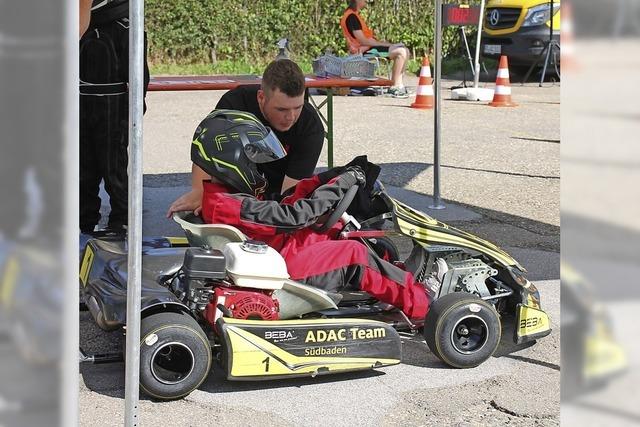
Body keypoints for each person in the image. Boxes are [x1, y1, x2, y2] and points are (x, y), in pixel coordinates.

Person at [189, 109, 430, 323]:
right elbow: (292, 217)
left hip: (277, 251)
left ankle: (396, 281)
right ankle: (424, 306)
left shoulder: (221, 196)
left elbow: (279, 209)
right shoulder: (228, 205)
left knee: (339, 233)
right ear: (231, 160)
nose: (258, 169)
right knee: (354, 255)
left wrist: (323, 181)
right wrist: (339, 185)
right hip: (283, 272)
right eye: (253, 163)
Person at [167, 59, 324, 217]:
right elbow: (208, 150)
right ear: (261, 97)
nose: (291, 117)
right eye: (281, 109)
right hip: (232, 188)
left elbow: (290, 198)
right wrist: (201, 193)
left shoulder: (310, 126)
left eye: (298, 107)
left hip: (276, 195)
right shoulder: (235, 103)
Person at [80, 0, 150, 233]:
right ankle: (84, 219)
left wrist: (136, 107)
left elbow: (139, 74)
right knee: (84, 167)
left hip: (113, 102)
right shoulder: (81, 22)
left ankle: (122, 219)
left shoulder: (126, 24)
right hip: (82, 98)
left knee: (114, 168)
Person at [340, 0, 411, 98]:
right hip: (363, 51)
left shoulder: (354, 15)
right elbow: (363, 41)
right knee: (401, 52)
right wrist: (388, 45)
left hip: (369, 47)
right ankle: (394, 86)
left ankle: (399, 84)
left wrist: (390, 45)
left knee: (405, 50)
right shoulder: (351, 17)